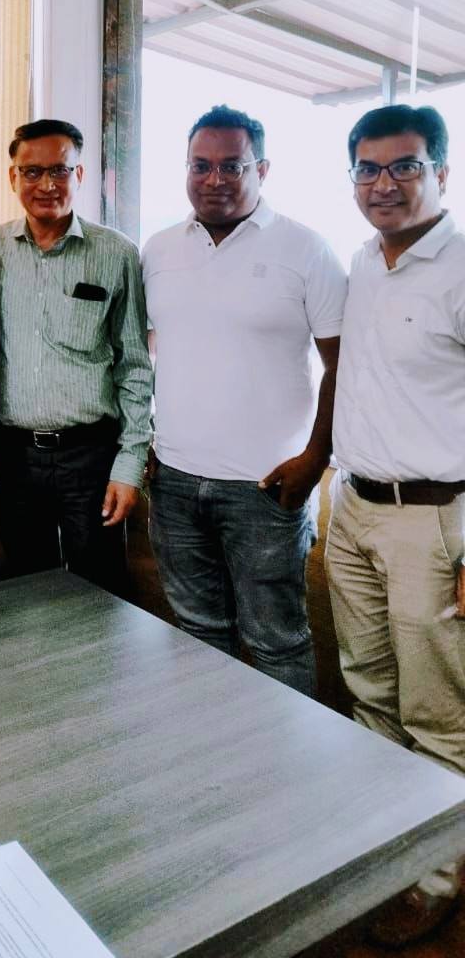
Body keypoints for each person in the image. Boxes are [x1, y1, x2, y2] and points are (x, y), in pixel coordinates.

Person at [141, 104, 346, 696]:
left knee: (276, 640)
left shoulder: (306, 249)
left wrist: (315, 458)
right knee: (197, 634)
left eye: (232, 166)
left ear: (263, 169)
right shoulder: (158, 249)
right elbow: (148, 355)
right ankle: (214, 748)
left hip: (266, 489)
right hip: (174, 482)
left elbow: (343, 366)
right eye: (200, 165)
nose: (215, 179)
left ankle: (285, 757)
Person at [327, 103, 465, 948]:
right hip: (354, 513)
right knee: (369, 693)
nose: (384, 184)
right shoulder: (363, 262)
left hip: (435, 523)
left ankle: (437, 878)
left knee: (437, 713)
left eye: (404, 166)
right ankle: (382, 859)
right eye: (368, 169)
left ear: (441, 172)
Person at [0, 119, 152, 594]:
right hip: (13, 456)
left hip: (91, 456)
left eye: (59, 170)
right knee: (26, 593)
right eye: (32, 172)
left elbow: (135, 367)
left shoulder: (116, 253)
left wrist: (129, 465)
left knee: (102, 592)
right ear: (13, 177)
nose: (46, 184)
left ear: (79, 175)